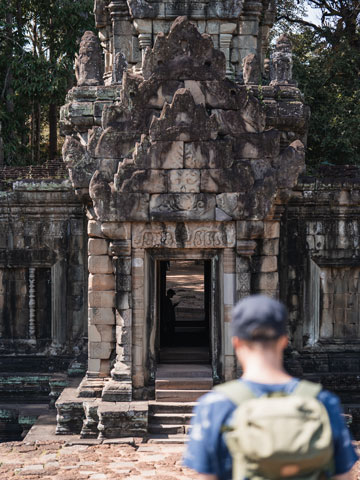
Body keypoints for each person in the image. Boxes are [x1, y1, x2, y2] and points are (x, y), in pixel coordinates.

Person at [183, 295, 358, 480]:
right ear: (284, 340)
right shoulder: (323, 402)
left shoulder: (215, 406)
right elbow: (343, 476)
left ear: (236, 342)